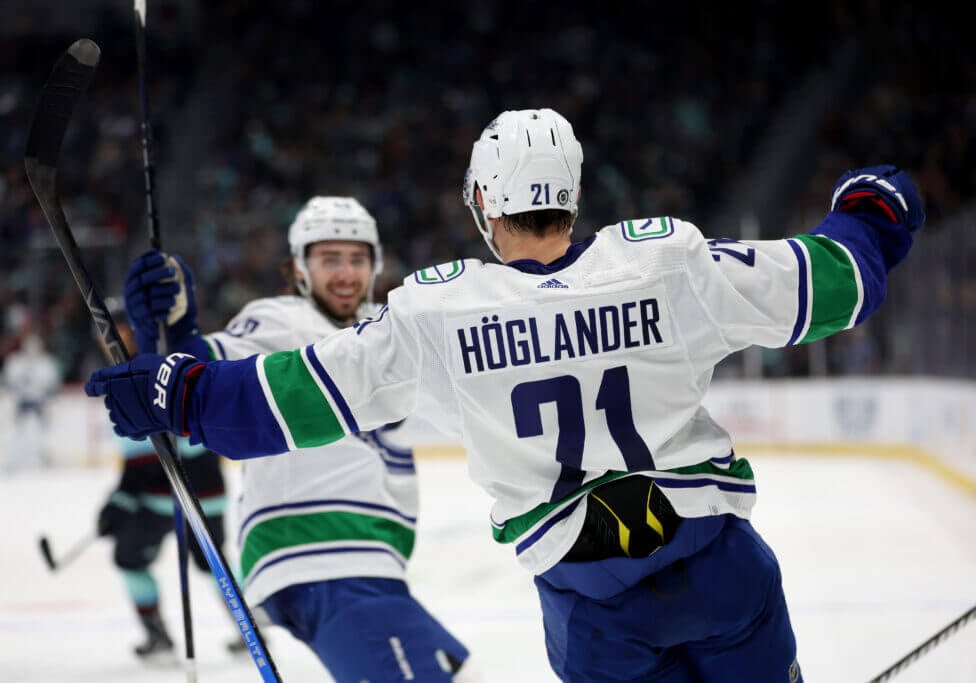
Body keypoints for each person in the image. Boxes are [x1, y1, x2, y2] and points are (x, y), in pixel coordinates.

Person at [87, 109, 925, 681]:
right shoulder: (663, 259)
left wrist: (175, 389)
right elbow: (837, 283)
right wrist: (872, 209)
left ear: (484, 203)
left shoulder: (438, 311)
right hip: (723, 572)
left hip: (592, 611)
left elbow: (289, 399)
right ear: (573, 194)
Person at [121, 197, 476, 681]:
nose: (346, 273)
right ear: (299, 268)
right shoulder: (278, 320)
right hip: (315, 554)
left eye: (357, 259)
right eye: (329, 259)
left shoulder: (392, 326)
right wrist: (169, 332)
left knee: (455, 671)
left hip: (372, 562)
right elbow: (201, 374)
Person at [93, 300, 231, 663]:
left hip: (181, 492)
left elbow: (148, 462)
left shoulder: (146, 372)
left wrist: (119, 502)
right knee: (211, 563)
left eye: (115, 330)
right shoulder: (144, 368)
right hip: (198, 490)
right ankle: (249, 627)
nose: (108, 339)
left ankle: (166, 637)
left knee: (138, 557)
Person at [1, 332, 61, 469]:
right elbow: (8, 381)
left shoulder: (46, 363)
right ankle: (12, 460)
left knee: (43, 431)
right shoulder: (16, 361)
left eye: (35, 346)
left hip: (39, 402)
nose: (32, 349)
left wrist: (47, 393)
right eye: (29, 346)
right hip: (21, 401)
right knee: (17, 431)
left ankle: (44, 458)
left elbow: (52, 383)